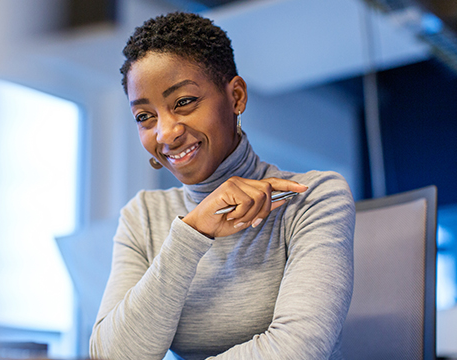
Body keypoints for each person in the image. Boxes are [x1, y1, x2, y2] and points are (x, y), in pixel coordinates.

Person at [90, 12, 355, 360]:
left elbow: (297, 350)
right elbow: (111, 356)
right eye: (145, 117)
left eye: (184, 102)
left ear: (236, 97)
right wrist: (193, 231)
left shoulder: (313, 198)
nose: (165, 133)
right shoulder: (144, 217)